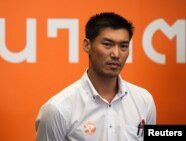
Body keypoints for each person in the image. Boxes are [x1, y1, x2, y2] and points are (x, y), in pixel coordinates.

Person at [35, 12, 156, 141]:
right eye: (107, 44)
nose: (116, 54)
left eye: (123, 46)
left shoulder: (144, 100)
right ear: (87, 45)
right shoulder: (57, 109)